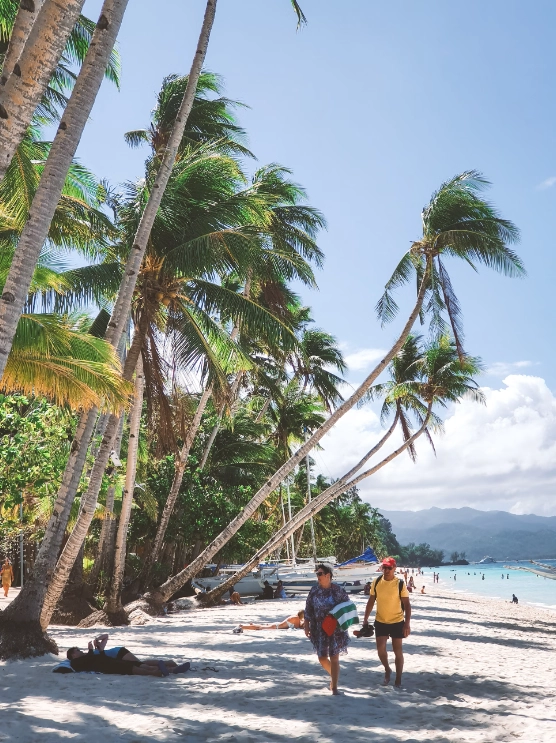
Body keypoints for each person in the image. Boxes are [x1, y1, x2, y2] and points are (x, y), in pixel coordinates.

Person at [363, 556, 411, 688]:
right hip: (381, 621)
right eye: (385, 567)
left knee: (398, 651)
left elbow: (407, 605)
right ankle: (387, 669)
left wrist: (407, 624)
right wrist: (365, 619)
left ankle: (398, 679)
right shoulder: (377, 582)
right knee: (380, 650)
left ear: (394, 568)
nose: (387, 570)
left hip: (397, 621)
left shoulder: (400, 584)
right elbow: (371, 601)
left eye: (389, 568)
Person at [305, 563, 350, 696]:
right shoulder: (314, 591)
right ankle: (334, 676)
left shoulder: (338, 590)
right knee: (322, 658)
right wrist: (306, 625)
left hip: (335, 629)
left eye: (320, 574)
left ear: (328, 575)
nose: (317, 576)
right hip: (319, 629)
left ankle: (334, 686)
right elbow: (308, 609)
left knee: (334, 656)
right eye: (317, 574)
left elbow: (347, 606)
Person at [67, 636, 188, 677]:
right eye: (77, 650)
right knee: (133, 668)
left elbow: (99, 657)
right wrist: (90, 650)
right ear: (73, 655)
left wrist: (98, 650)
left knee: (135, 665)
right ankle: (159, 671)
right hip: (107, 666)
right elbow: (89, 662)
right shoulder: (75, 663)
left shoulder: (87, 656)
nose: (80, 651)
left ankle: (169, 669)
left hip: (109, 661)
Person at [238, 610, 305, 631]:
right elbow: (297, 627)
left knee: (261, 626)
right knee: (259, 628)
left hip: (277, 625)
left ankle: (249, 625)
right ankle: (243, 627)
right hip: (276, 626)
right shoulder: (296, 618)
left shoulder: (295, 617)